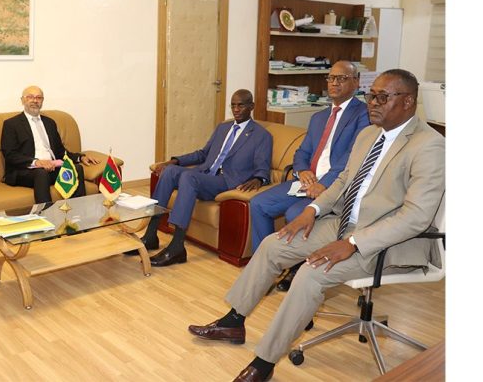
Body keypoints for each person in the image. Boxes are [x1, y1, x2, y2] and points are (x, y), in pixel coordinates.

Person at [187, 69, 444, 382]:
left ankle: (264, 363)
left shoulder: (429, 145)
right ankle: (233, 321)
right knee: (273, 244)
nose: (372, 103)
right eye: (370, 95)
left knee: (310, 273)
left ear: (408, 102)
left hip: (385, 241)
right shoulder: (369, 135)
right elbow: (344, 181)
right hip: (343, 222)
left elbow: (416, 216)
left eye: (382, 97)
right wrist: (313, 209)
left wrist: (353, 243)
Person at [250, 60, 369, 291]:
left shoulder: (363, 115)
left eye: (342, 78)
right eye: (331, 78)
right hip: (305, 182)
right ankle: (265, 269)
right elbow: (302, 152)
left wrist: (324, 184)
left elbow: (352, 157)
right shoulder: (319, 117)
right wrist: (303, 171)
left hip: (334, 187)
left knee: (295, 213)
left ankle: (297, 268)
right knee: (259, 203)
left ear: (356, 82)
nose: (334, 83)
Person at [133, 89, 272, 267]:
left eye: (241, 105)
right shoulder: (223, 128)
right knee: (170, 171)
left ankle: (176, 247)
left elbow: (263, 167)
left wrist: (259, 179)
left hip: (225, 181)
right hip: (205, 174)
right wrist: (175, 161)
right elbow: (203, 154)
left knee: (189, 177)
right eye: (233, 105)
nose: (236, 109)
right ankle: (150, 235)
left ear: (251, 106)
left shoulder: (261, 136)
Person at [1, 85, 100, 204]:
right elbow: (10, 154)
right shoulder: (11, 124)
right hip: (26, 171)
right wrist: (37, 162)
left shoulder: (49, 123)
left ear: (42, 101)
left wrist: (80, 157)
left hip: (52, 168)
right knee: (41, 173)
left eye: (39, 97)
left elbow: (60, 151)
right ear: (22, 100)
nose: (35, 100)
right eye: (30, 97)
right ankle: (45, 213)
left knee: (76, 168)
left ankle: (78, 211)